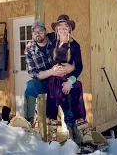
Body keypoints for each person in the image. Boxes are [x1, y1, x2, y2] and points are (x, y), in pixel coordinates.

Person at [23, 21, 75, 127]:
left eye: (40, 31)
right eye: (34, 32)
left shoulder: (55, 41)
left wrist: (70, 68)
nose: (38, 34)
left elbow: (71, 57)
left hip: (58, 81)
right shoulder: (30, 50)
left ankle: (73, 130)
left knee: (66, 95)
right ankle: (28, 122)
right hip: (43, 82)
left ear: (45, 32)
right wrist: (51, 71)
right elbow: (33, 73)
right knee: (30, 85)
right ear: (32, 34)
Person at [46, 15, 87, 145]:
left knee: (74, 107)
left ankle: (84, 140)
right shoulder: (52, 44)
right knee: (51, 109)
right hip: (54, 81)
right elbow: (48, 62)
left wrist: (70, 81)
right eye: (60, 26)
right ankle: (52, 141)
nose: (62, 29)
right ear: (57, 29)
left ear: (69, 29)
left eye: (65, 26)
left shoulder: (75, 45)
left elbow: (79, 66)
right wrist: (53, 68)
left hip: (68, 80)